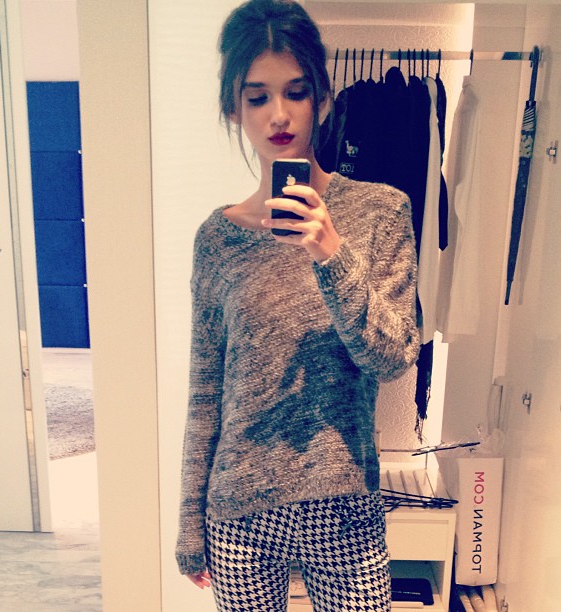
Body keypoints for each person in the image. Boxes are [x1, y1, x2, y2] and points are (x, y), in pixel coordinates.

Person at [175, 1, 421, 610]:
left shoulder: (381, 212)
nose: (279, 114)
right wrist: (189, 523)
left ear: (323, 99)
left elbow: (393, 358)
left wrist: (331, 251)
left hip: (343, 502)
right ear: (233, 109)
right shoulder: (218, 239)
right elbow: (206, 388)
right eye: (257, 97)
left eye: (296, 91)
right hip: (239, 510)